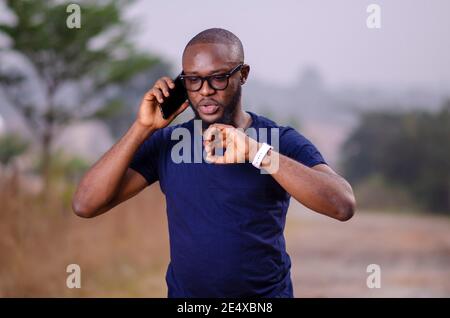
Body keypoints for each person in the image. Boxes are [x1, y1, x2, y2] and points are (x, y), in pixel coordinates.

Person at [72, 28, 356, 298]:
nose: (205, 90)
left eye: (218, 77)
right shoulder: (168, 143)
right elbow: (86, 204)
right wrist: (142, 128)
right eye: (193, 80)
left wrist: (257, 153)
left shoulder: (277, 140)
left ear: (243, 75)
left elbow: (341, 204)